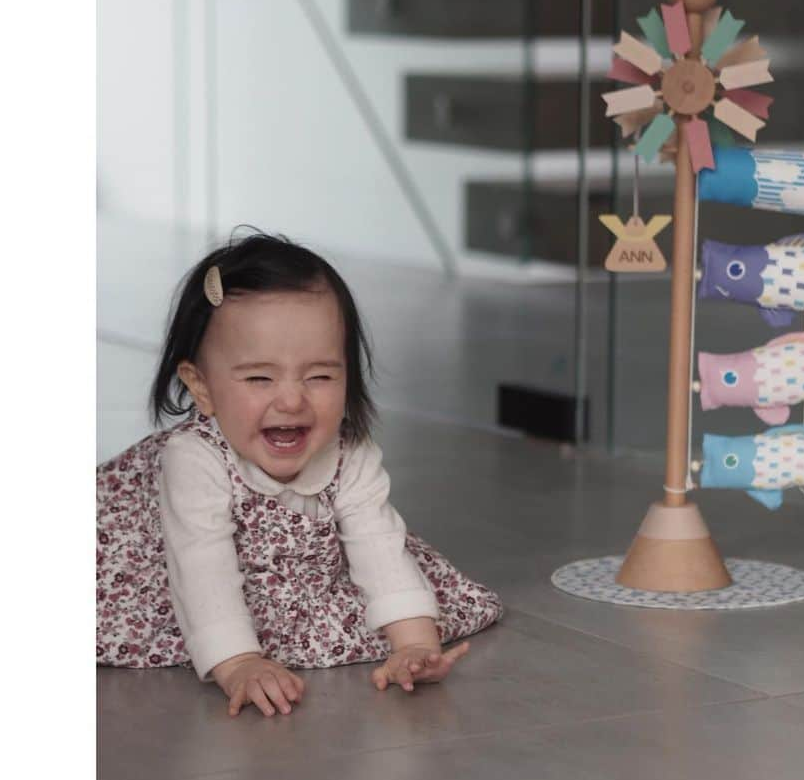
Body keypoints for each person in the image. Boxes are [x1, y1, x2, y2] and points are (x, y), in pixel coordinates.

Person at [96, 231, 503, 717]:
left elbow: (378, 544)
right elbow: (200, 568)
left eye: (320, 376)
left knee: (408, 592)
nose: (291, 400)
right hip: (153, 559)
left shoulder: (347, 451)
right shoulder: (194, 459)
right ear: (201, 387)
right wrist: (239, 661)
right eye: (259, 378)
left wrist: (414, 644)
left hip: (291, 578)